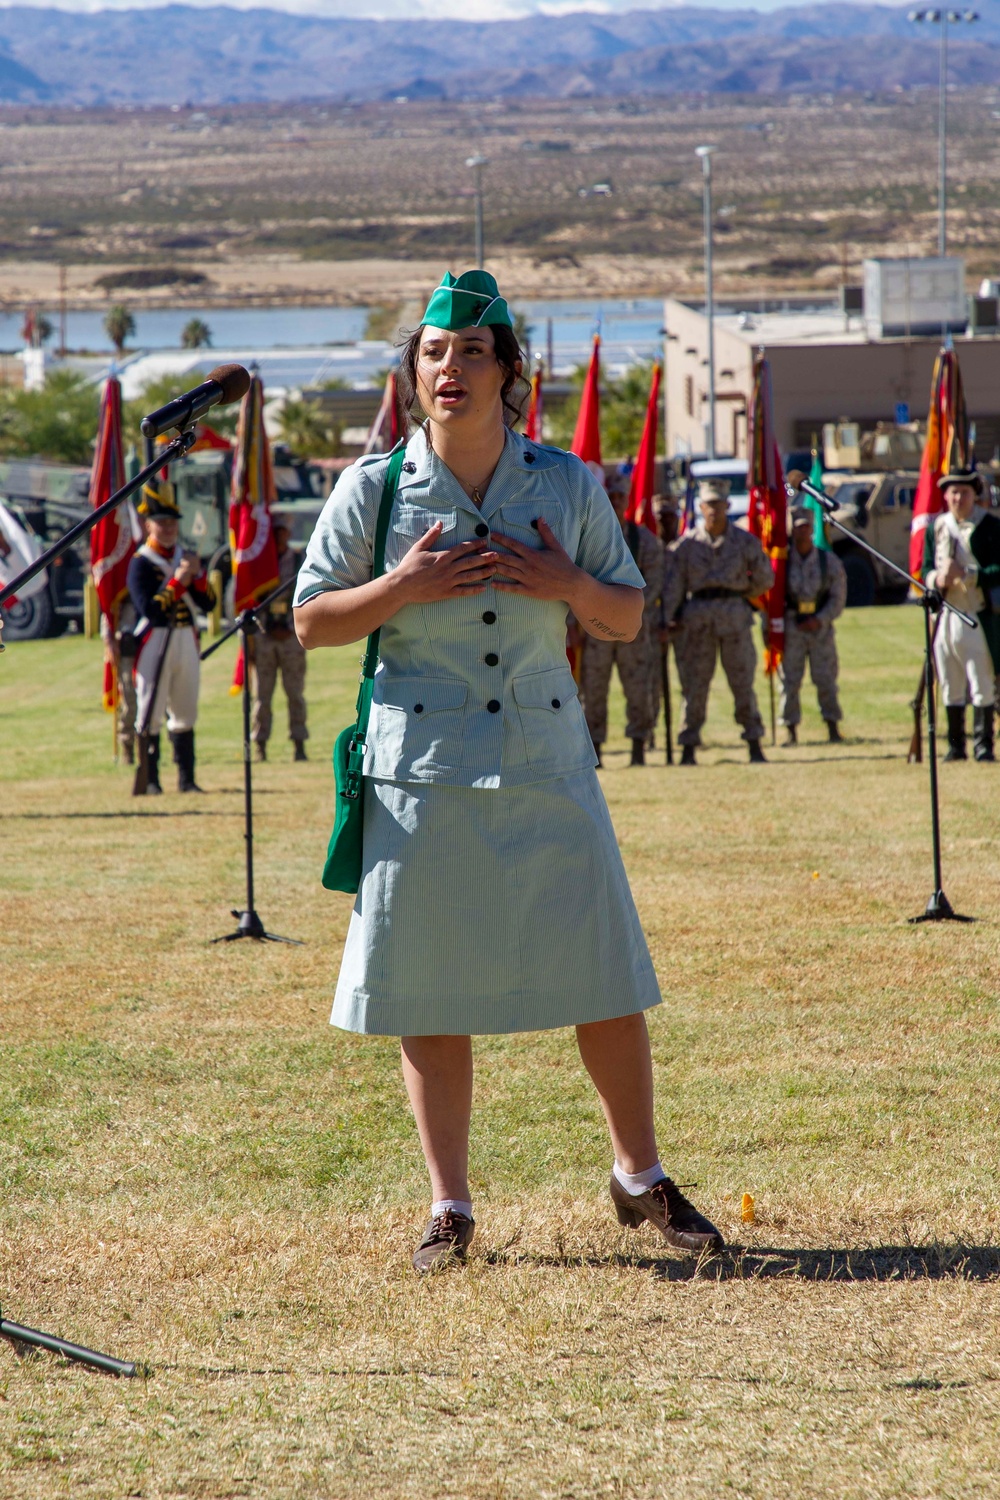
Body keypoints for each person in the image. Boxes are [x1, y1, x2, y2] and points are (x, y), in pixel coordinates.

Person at [294, 269, 723, 1272]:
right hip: (422, 774)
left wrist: (566, 582)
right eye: (435, 353)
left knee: (606, 978)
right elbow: (310, 622)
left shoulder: (564, 484)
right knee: (428, 995)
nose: (451, 368)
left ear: (508, 373)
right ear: (411, 376)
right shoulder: (374, 490)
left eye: (472, 352)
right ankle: (449, 1205)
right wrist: (401, 586)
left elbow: (624, 614)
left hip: (544, 761)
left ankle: (638, 1175)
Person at [662, 478, 774, 765]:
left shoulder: (745, 541)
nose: (714, 510)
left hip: (735, 619)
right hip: (697, 622)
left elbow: (765, 577)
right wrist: (667, 619)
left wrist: (741, 597)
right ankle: (688, 746)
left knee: (742, 683)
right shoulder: (686, 546)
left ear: (727, 505)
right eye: (708, 505)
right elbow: (674, 587)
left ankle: (754, 742)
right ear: (700, 507)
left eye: (719, 504)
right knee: (695, 686)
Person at [127, 477, 216, 794]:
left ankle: (186, 779)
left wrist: (196, 576)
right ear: (149, 525)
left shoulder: (186, 555)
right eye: (161, 523)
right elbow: (150, 610)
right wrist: (178, 581)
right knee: (150, 708)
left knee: (185, 708)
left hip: (184, 639)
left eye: (171, 523)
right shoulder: (140, 563)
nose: (168, 528)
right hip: (154, 639)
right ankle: (150, 780)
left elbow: (208, 603)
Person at [581, 477, 664, 766]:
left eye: (619, 497)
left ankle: (639, 747)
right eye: (610, 496)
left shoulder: (644, 540)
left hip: (633, 628)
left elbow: (654, 580)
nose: (615, 502)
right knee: (593, 689)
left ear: (627, 501)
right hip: (594, 628)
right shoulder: (588, 536)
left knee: (638, 687)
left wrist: (627, 609)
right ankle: (596, 751)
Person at [922, 467, 1000, 762]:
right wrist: (936, 580)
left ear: (973, 495)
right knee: (950, 683)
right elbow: (925, 567)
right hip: (945, 615)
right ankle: (956, 746)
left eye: (964, 492)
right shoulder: (937, 527)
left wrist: (967, 574)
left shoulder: (990, 527)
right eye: (953, 492)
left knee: (981, 682)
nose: (958, 498)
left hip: (976, 613)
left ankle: (983, 745)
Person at [780, 506, 847, 745]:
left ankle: (832, 726)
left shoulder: (827, 561)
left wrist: (820, 618)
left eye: (806, 527)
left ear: (812, 528)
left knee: (825, 678)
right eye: (797, 527)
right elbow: (774, 596)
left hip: (819, 627)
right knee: (790, 681)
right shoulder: (783, 561)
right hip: (793, 627)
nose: (802, 532)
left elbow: (838, 596)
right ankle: (790, 729)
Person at [250, 517, 308, 762]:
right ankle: (260, 744)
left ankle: (299, 743)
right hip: (265, 635)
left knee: (294, 692)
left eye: (282, 532)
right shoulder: (260, 563)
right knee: (262, 695)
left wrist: (290, 625)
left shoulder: (298, 560)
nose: (279, 538)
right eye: (274, 533)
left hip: (291, 635)